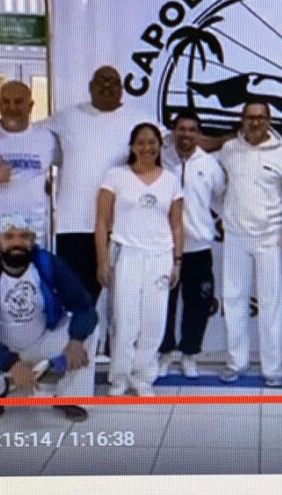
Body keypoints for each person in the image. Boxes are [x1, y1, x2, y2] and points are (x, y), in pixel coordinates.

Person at [0, 213, 96, 422]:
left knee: (88, 331)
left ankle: (71, 397)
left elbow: (84, 306)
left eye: (24, 236)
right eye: (9, 237)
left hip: (42, 340)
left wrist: (76, 340)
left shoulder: (48, 264)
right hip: (2, 348)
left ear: (32, 240)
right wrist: (11, 364)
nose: (17, 243)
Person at [43, 66, 153, 302]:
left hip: (121, 228)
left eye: (113, 81)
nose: (107, 85)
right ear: (90, 87)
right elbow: (24, 135)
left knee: (123, 302)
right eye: (101, 80)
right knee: (76, 302)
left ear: (122, 89)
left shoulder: (140, 119)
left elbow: (175, 144)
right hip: (74, 226)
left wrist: (224, 140)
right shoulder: (67, 117)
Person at [95, 123, 184, 397]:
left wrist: (177, 261)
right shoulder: (115, 176)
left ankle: (144, 375)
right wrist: (102, 261)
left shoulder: (171, 180)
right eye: (141, 143)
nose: (147, 148)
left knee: (154, 320)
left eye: (152, 142)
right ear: (132, 147)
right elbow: (102, 221)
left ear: (160, 146)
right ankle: (120, 376)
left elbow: (177, 224)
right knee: (125, 319)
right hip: (126, 253)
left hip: (160, 255)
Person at [217, 100, 282, 387]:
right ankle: (236, 362)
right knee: (234, 300)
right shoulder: (229, 150)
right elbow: (218, 185)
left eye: (260, 117)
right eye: (250, 117)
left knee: (271, 303)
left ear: (269, 120)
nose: (255, 122)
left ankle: (272, 369)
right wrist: (224, 214)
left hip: (269, 237)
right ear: (242, 120)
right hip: (235, 236)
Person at [157, 112, 225, 379]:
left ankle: (189, 354)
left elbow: (220, 197)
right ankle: (164, 353)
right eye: (182, 129)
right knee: (165, 304)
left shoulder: (209, 164)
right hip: (165, 246)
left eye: (192, 129)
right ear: (174, 131)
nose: (186, 134)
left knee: (197, 304)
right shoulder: (161, 160)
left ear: (199, 133)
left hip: (198, 248)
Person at [0, 81, 59, 261]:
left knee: (35, 279)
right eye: (6, 102)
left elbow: (65, 169)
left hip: (34, 233)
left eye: (18, 102)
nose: (11, 107)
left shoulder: (47, 139)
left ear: (30, 105)